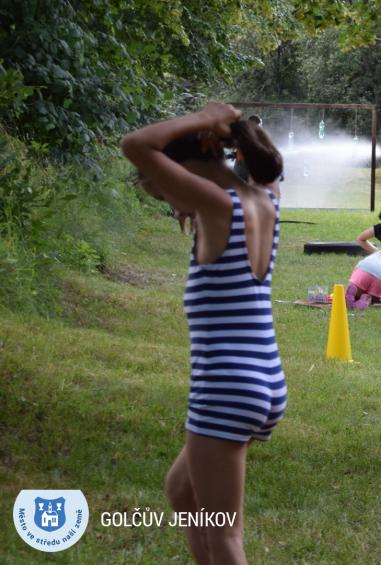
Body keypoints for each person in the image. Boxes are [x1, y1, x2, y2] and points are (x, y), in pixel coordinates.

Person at [121, 102, 286, 564]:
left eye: (162, 188)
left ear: (184, 171)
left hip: (225, 388)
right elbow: (267, 163)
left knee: (225, 534)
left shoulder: (218, 205)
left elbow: (135, 145)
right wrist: (227, 131)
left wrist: (207, 120)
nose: (169, 201)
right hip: (265, 382)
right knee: (181, 491)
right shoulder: (267, 201)